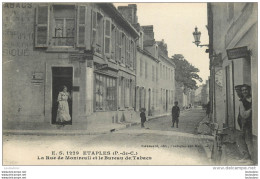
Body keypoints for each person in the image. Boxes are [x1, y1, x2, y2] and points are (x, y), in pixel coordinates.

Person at [236, 84, 253, 163]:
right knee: (242, 139)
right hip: (245, 123)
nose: (244, 91)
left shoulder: (254, 99)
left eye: (246, 89)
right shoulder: (242, 101)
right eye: (243, 90)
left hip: (250, 123)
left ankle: (250, 158)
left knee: (248, 140)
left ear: (249, 90)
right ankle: (247, 157)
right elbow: (244, 115)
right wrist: (251, 109)